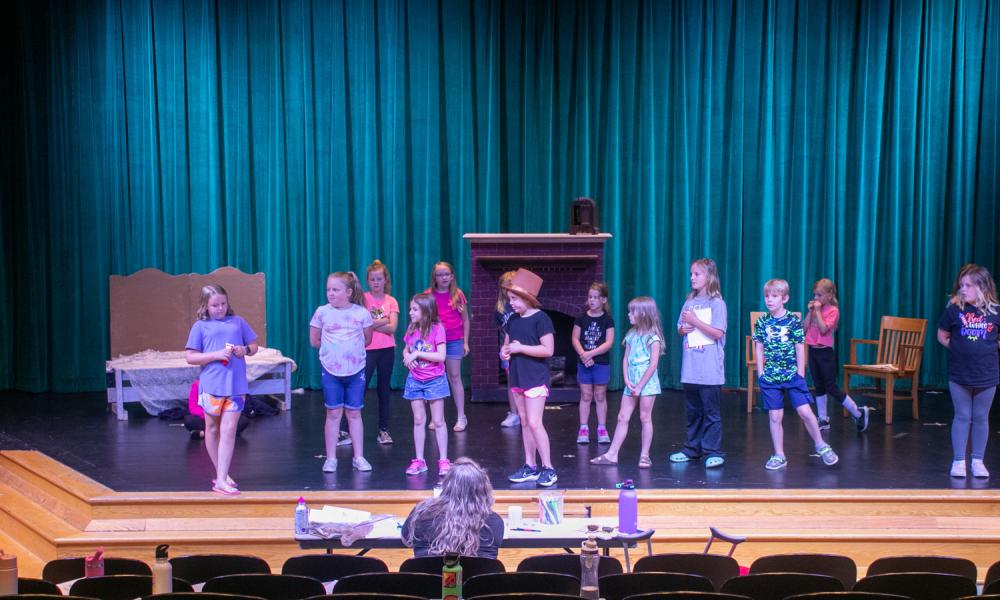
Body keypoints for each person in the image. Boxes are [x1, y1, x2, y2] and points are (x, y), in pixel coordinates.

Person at [753, 279, 838, 470]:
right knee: (775, 416)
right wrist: (761, 373)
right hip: (771, 377)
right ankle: (779, 454)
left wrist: (800, 373)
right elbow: (759, 347)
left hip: (792, 375)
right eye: (767, 296)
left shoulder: (793, 321)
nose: (769, 300)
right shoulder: (762, 322)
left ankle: (821, 445)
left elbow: (800, 347)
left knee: (805, 412)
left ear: (785, 298)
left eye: (774, 296)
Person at [184, 284, 258, 495]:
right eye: (215, 305)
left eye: (223, 304)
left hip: (236, 386)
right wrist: (215, 355)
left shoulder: (238, 322)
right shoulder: (200, 326)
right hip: (212, 387)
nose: (220, 308)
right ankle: (221, 474)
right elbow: (190, 357)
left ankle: (221, 480)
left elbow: (253, 346)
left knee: (228, 431)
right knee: (213, 429)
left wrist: (244, 350)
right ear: (205, 306)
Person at [936, 263, 1000, 478]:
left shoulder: (995, 312)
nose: (962, 289)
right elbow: (942, 335)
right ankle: (959, 461)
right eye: (961, 285)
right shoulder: (954, 309)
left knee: (981, 417)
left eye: (968, 285)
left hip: (987, 374)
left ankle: (978, 461)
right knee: (962, 416)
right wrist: (959, 350)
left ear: (982, 287)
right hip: (960, 374)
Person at [310, 271, 374, 472]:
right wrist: (334, 351)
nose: (331, 293)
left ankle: (359, 456)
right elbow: (314, 340)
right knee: (333, 412)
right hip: (331, 371)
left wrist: (349, 351)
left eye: (335, 290)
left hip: (355, 371)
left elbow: (368, 339)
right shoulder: (322, 312)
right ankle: (331, 458)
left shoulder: (361, 313)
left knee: (354, 413)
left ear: (348, 291)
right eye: (328, 289)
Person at [590, 296, 662, 468]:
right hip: (632, 382)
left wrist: (640, 386)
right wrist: (627, 380)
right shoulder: (631, 334)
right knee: (622, 417)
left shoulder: (653, 338)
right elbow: (626, 360)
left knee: (645, 417)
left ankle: (645, 455)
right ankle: (612, 454)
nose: (628, 315)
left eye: (632, 312)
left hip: (647, 383)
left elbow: (653, 365)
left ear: (643, 313)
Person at [502, 269, 558, 487]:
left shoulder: (541, 319)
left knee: (535, 422)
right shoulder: (513, 320)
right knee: (525, 421)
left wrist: (520, 348)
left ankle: (549, 468)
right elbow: (508, 345)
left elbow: (548, 350)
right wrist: (505, 351)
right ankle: (530, 465)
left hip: (535, 377)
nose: (511, 303)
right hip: (517, 376)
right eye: (510, 299)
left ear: (527, 297)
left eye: (515, 299)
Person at [671, 258, 728, 468]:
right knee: (693, 411)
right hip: (691, 368)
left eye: (697, 274)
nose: (692, 278)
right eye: (691, 274)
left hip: (709, 369)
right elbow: (680, 327)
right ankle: (692, 448)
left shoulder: (717, 303)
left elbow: (717, 333)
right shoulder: (689, 302)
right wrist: (683, 329)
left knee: (711, 412)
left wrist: (695, 322)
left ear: (709, 277)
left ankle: (713, 451)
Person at [401, 457, 504, 558]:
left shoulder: (422, 513)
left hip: (429, 574)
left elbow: (406, 540)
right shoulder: (494, 522)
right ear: (483, 489)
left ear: (446, 484)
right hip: (475, 574)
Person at [803, 278, 870, 432]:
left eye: (819, 295)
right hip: (813, 351)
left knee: (831, 387)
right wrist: (810, 312)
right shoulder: (814, 309)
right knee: (818, 387)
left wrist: (818, 312)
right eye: (814, 295)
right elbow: (805, 328)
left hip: (825, 353)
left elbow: (823, 329)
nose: (816, 298)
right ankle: (823, 419)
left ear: (829, 295)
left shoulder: (833, 311)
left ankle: (858, 413)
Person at [402, 293, 451, 476]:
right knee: (418, 420)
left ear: (426, 311)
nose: (410, 312)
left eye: (415, 309)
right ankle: (419, 460)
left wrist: (418, 355)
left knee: (438, 421)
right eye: (410, 309)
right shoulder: (412, 328)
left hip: (435, 380)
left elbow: (441, 356)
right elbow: (406, 349)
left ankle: (444, 460)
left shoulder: (437, 329)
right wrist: (407, 356)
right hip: (415, 380)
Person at [427, 262, 471, 432]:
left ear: (452, 276)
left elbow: (465, 320)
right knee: (435, 378)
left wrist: (465, 341)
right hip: (434, 343)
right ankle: (436, 418)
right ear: (435, 278)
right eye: (440, 275)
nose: (444, 277)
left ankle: (461, 416)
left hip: (453, 340)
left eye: (447, 274)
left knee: (454, 376)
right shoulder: (429, 295)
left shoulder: (458, 295)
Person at [572, 282, 615, 444]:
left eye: (596, 298)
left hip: (601, 363)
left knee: (600, 395)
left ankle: (602, 428)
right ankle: (583, 428)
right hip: (583, 362)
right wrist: (583, 354)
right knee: (586, 395)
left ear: (603, 300)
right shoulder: (581, 318)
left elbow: (609, 343)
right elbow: (575, 338)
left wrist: (591, 354)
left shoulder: (608, 320)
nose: (592, 300)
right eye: (590, 297)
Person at [364, 260, 399, 445]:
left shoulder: (391, 301)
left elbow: (393, 327)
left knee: (383, 390)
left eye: (379, 279)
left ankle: (384, 430)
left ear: (385, 280)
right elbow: (363, 325)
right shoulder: (363, 299)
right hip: (368, 350)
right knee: (359, 389)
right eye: (372, 279)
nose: (376, 282)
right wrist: (383, 320)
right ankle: (346, 431)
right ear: (368, 281)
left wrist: (374, 323)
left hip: (386, 351)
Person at [183, 379, 249, 440]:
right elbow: (193, 407)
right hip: (206, 418)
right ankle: (222, 433)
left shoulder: (227, 384)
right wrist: (210, 415)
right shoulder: (198, 384)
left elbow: (233, 405)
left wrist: (221, 416)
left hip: (223, 418)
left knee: (243, 420)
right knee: (189, 420)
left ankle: (204, 434)